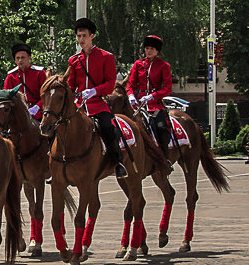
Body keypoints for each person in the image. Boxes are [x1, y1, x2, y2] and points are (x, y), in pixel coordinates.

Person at [67, 18, 128, 178]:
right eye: (79, 36)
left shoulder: (105, 57)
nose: (81, 39)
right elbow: (71, 85)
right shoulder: (73, 60)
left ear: (92, 36)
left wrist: (94, 91)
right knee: (57, 126)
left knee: (108, 127)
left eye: (84, 36)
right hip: (79, 104)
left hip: (97, 103)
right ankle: (56, 164)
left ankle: (117, 162)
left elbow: (110, 84)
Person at [126, 34, 174, 163]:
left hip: (155, 104)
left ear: (157, 51)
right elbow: (131, 84)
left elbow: (167, 88)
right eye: (147, 48)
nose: (148, 51)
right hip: (138, 103)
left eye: (152, 48)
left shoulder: (164, 66)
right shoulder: (138, 64)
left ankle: (165, 158)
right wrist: (130, 95)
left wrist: (153, 96)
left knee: (161, 127)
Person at [3, 42, 48, 118]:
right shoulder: (11, 76)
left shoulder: (39, 73)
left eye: (23, 57)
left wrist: (37, 107)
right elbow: (6, 97)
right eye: (18, 58)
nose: (20, 60)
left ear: (29, 57)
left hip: (38, 112)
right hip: (18, 114)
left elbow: (46, 94)